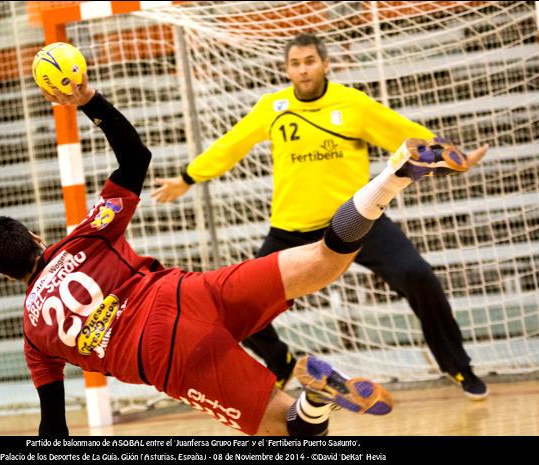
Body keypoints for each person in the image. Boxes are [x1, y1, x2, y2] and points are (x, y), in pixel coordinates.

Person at [0, 75, 483, 436]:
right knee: (327, 259)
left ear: (6, 277)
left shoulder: (33, 334)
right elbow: (136, 159)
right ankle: (391, 177)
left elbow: (52, 426)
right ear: (37, 239)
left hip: (166, 353)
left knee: (291, 433)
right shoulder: (82, 239)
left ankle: (314, 399)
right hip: (187, 291)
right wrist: (89, 99)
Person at [152, 33, 490, 399]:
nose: (303, 69)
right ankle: (280, 362)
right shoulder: (273, 107)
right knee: (234, 302)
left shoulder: (353, 104)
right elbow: (231, 144)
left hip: (359, 221)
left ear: (325, 64)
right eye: (295, 63)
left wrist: (451, 157)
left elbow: (402, 132)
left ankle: (458, 367)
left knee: (418, 276)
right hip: (292, 229)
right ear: (286, 69)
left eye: (310, 61)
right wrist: (188, 177)